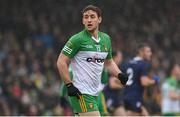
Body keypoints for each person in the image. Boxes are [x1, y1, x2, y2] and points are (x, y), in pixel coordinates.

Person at [56, 5, 128, 116]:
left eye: (92, 17)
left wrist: (119, 74)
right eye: (86, 17)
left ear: (99, 19)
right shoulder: (77, 39)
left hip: (96, 93)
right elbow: (61, 61)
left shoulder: (106, 39)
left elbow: (109, 63)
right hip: (81, 93)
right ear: (83, 20)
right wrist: (69, 85)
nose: (89, 20)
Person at [121, 43, 160, 116]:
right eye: (148, 51)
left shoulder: (127, 63)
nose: (150, 54)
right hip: (134, 97)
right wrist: (155, 81)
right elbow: (144, 82)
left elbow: (120, 80)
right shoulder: (143, 64)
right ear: (141, 52)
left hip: (125, 95)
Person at [104, 50, 126, 116]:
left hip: (116, 98)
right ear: (115, 57)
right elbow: (112, 85)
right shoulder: (111, 69)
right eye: (120, 57)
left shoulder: (118, 68)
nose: (121, 59)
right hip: (110, 97)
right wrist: (124, 86)